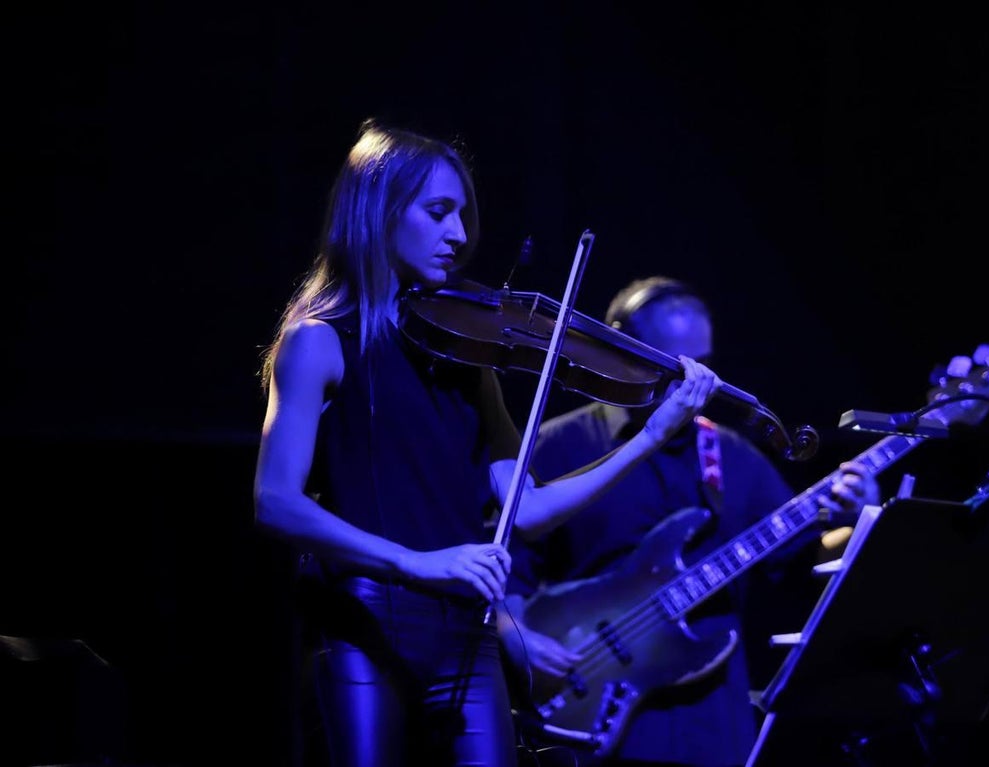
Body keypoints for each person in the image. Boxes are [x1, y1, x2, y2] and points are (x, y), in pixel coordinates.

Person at [251, 122, 723, 767]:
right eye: (439, 212)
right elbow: (275, 502)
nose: (461, 235)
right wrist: (417, 563)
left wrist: (648, 438)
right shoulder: (320, 340)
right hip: (362, 624)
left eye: (463, 215)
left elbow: (523, 511)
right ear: (379, 211)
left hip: (465, 633)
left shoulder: (467, 351)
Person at [500, 276, 880, 767]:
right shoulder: (558, 445)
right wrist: (515, 636)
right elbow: (504, 563)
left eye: (705, 365)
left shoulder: (733, 455)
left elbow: (805, 559)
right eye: (672, 363)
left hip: (712, 724)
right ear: (617, 346)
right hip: (585, 712)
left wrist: (856, 518)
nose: (695, 381)